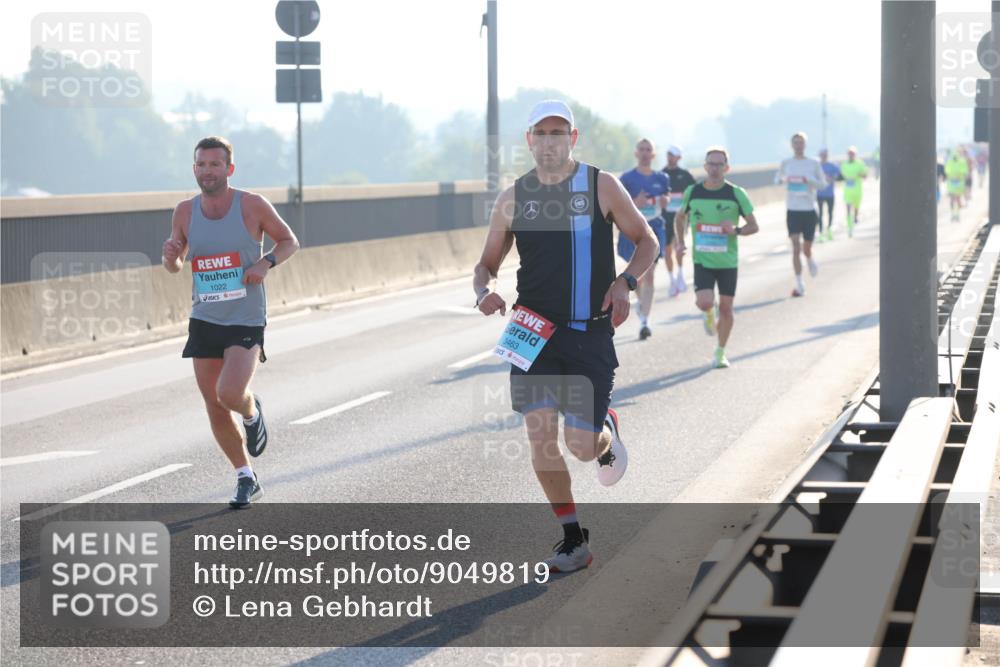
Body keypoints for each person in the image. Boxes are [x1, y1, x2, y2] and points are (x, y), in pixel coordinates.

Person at [473, 100, 658, 572]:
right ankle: (573, 539)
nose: (550, 141)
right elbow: (486, 265)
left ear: (573, 138)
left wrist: (625, 282)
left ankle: (605, 429)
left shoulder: (601, 186)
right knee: (540, 436)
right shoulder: (514, 197)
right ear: (529, 140)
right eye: (541, 132)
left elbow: (647, 240)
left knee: (581, 446)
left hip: (588, 333)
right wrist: (483, 291)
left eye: (559, 132)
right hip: (531, 332)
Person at [162, 136, 299, 508]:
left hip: (245, 317)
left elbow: (289, 241)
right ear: (194, 169)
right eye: (201, 164)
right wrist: (171, 257)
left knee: (229, 392)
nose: (207, 171)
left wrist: (265, 263)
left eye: (215, 164)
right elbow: (176, 264)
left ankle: (252, 412)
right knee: (214, 403)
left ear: (229, 168)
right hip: (205, 316)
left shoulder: (252, 205)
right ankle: (245, 476)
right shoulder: (184, 212)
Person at [674, 146, 759, 368]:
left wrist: (736, 230)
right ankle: (708, 312)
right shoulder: (693, 191)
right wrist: (680, 241)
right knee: (704, 302)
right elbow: (680, 217)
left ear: (726, 168)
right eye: (711, 164)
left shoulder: (736, 193)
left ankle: (720, 352)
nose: (714, 168)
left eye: (719, 164)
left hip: (727, 262)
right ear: (705, 166)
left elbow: (754, 226)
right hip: (703, 260)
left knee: (727, 309)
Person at [618, 138, 671, 340]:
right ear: (636, 153)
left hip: (654, 230)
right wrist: (635, 203)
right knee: (636, 277)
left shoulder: (662, 177)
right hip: (631, 232)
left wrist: (664, 200)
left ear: (654, 155)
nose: (645, 152)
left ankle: (644, 322)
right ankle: (642, 305)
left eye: (649, 149)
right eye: (641, 149)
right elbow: (617, 206)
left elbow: (666, 199)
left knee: (649, 275)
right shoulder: (627, 178)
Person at [776, 132, 826, 297]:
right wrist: (785, 179)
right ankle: (799, 282)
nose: (798, 145)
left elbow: (823, 184)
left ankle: (809, 258)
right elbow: (777, 179)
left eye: (801, 142)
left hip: (809, 210)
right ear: (792, 145)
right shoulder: (786, 163)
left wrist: (808, 180)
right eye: (796, 142)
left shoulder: (813, 163)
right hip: (793, 210)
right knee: (795, 246)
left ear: (805, 144)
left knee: (806, 248)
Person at [662, 145, 696, 296]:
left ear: (679, 157)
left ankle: (681, 274)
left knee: (679, 246)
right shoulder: (661, 174)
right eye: (668, 154)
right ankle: (672, 279)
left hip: (681, 218)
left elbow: (694, 194)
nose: (670, 157)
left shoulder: (686, 175)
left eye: (673, 155)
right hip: (665, 218)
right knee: (667, 250)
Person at [838, 146, 868, 237]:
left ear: (855, 154)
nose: (851, 155)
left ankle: (855, 217)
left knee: (856, 209)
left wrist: (860, 174)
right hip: (848, 191)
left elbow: (865, 175)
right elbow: (841, 175)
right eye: (849, 153)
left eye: (852, 153)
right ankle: (849, 228)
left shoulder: (860, 163)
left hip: (857, 191)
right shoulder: (844, 164)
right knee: (848, 209)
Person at [816, 148, 840, 243]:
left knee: (830, 212)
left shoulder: (832, 165)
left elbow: (839, 175)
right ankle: (821, 232)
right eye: (822, 155)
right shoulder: (817, 166)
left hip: (830, 194)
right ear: (820, 156)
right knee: (820, 214)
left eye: (825, 155)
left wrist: (832, 178)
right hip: (820, 193)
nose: (824, 156)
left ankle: (829, 230)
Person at [944, 148, 969, 222]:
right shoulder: (949, 162)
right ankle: (952, 214)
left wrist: (958, 175)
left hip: (959, 183)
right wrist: (952, 176)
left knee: (958, 199)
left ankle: (957, 214)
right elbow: (947, 171)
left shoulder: (962, 162)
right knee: (952, 199)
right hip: (951, 183)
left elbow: (965, 171)